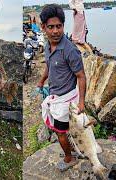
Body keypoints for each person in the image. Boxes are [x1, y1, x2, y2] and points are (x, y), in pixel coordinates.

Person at [37, 4, 86, 171]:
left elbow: (81, 76)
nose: (55, 31)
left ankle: (69, 158)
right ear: (43, 27)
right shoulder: (47, 45)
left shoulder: (70, 50)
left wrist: (81, 103)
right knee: (63, 130)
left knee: (60, 132)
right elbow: (49, 65)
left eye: (59, 26)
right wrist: (42, 80)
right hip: (54, 96)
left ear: (63, 26)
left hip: (67, 100)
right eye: (51, 27)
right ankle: (72, 150)